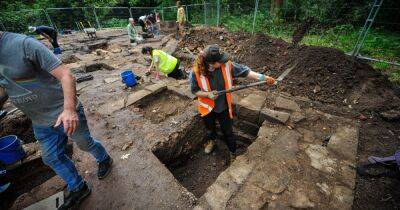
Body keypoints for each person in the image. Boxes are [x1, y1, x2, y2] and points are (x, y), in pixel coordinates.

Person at [0, 31, 113, 209]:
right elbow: (6, 85)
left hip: (64, 113)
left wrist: (69, 109)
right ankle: (78, 186)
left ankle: (104, 158)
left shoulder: (24, 44)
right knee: (51, 157)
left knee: (85, 144)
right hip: (40, 120)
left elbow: (66, 75)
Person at [190, 45, 276, 162]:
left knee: (228, 132)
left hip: (223, 107)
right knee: (210, 128)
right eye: (220, 61)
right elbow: (194, 90)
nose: (224, 62)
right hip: (207, 108)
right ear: (211, 63)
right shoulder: (196, 72)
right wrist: (207, 94)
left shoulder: (226, 66)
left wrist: (263, 77)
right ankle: (212, 141)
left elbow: (245, 72)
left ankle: (232, 152)